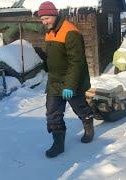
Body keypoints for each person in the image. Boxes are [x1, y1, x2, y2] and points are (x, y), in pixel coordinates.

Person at [38, 1, 94, 158]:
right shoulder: (49, 32)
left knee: (79, 107)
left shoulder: (70, 32)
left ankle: (88, 124)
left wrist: (69, 85)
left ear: (55, 15)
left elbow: (77, 61)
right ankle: (58, 143)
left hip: (72, 80)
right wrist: (44, 60)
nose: (44, 22)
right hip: (55, 82)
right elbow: (55, 56)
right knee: (52, 114)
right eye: (42, 19)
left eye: (46, 18)